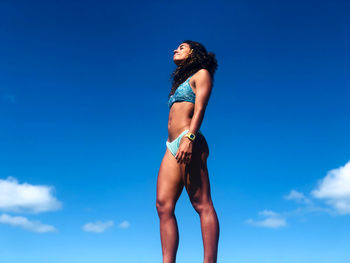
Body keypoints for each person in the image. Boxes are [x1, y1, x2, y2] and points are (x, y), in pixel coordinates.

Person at [156, 40, 220, 263]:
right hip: (170, 145)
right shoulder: (180, 81)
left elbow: (201, 108)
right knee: (163, 205)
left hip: (188, 138)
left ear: (194, 52)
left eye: (181, 47)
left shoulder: (202, 74)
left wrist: (190, 137)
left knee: (201, 203)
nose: (175, 49)